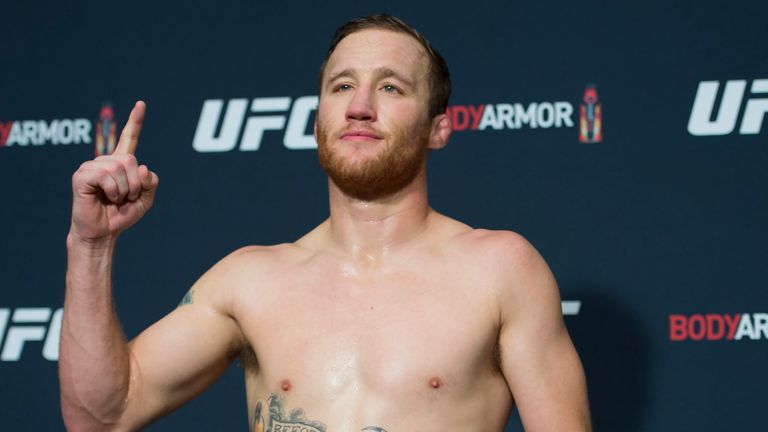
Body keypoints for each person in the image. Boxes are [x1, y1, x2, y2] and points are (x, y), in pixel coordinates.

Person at [60, 14, 591, 432]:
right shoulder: (250, 280)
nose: (360, 106)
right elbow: (102, 416)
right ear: (317, 122)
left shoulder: (500, 270)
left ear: (438, 129)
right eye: (341, 87)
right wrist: (90, 245)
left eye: (390, 88)